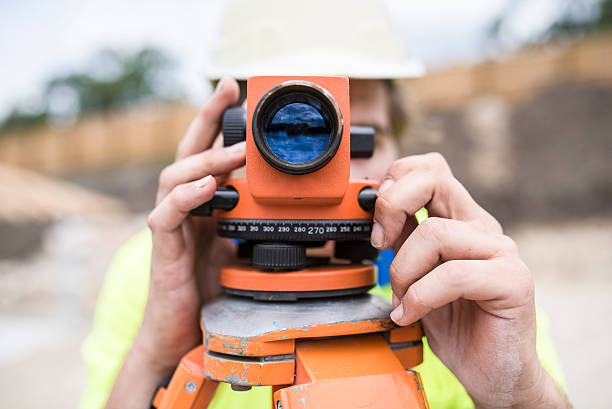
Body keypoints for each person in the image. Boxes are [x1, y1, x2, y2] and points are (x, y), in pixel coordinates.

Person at [81, 1, 572, 408]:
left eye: (359, 138)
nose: (323, 168)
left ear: (401, 146)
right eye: (290, 131)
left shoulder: (463, 275)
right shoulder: (147, 272)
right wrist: (157, 352)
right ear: (225, 137)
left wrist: (518, 394)